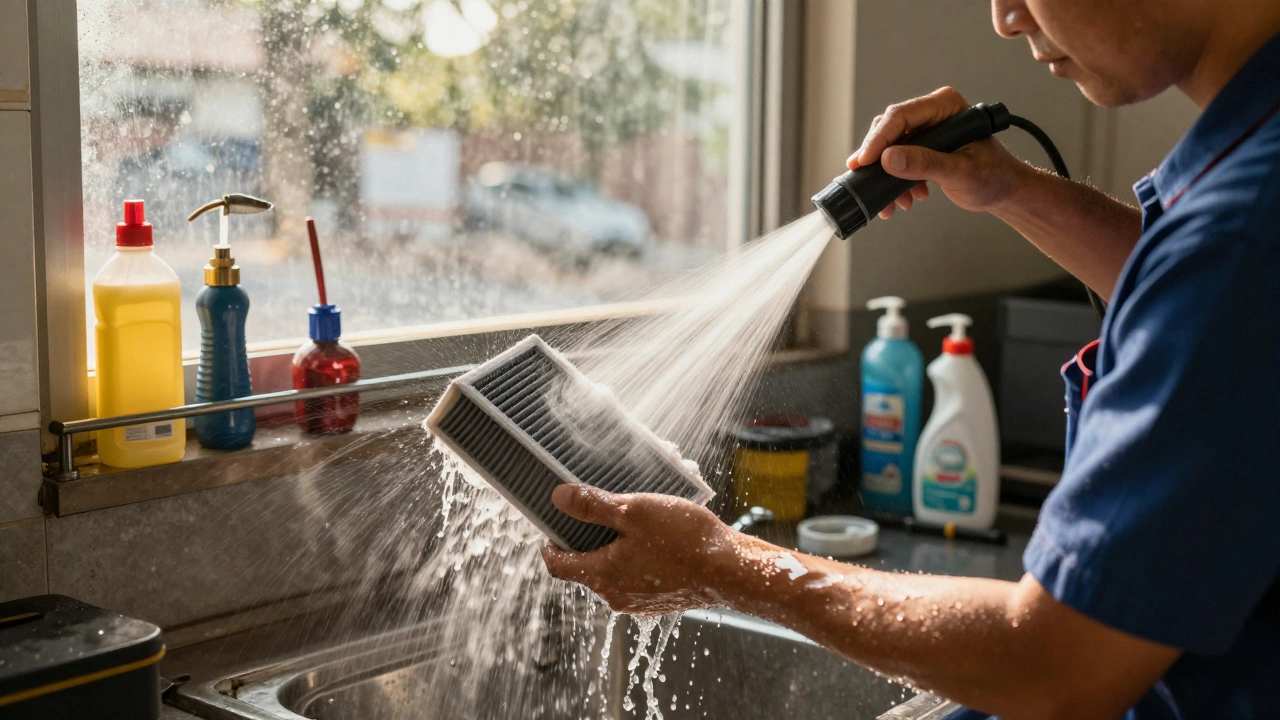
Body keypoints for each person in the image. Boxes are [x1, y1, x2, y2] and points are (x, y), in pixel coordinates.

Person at [541, 1, 1280, 718]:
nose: (1006, 16)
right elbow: (1198, 296)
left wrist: (718, 565)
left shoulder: (1239, 233)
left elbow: (1053, 670)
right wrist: (1008, 188)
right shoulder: (1252, 175)